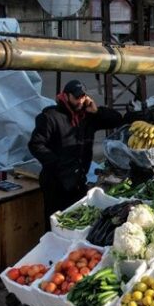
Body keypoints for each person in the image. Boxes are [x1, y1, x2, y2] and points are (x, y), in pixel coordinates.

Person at [28, 80, 123, 218]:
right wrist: (58, 164)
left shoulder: (88, 116)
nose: (80, 101)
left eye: (83, 97)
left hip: (78, 181)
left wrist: (97, 111)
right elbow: (35, 145)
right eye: (76, 97)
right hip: (56, 183)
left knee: (77, 219)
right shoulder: (50, 117)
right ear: (66, 96)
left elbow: (116, 119)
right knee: (56, 222)